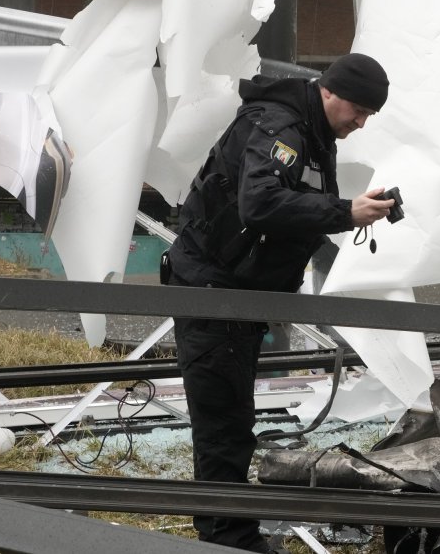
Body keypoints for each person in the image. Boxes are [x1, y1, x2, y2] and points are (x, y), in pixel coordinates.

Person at [163, 52, 395, 553]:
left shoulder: (313, 132)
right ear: (328, 91)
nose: (360, 122)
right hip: (213, 292)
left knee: (231, 419)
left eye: (369, 116)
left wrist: (350, 209)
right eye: (356, 109)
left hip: (236, 292)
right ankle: (229, 540)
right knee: (224, 424)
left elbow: (294, 207)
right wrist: (344, 210)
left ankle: (226, 531)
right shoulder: (281, 127)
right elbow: (260, 202)